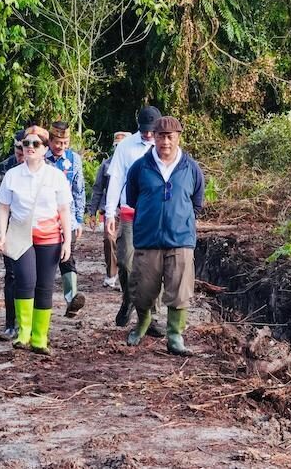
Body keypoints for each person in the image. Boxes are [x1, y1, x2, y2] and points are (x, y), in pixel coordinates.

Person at [123, 116, 205, 356]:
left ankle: (175, 336)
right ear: (153, 138)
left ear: (178, 137)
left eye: (170, 137)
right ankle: (142, 324)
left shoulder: (191, 168)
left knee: (179, 289)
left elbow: (196, 203)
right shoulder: (140, 167)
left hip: (180, 239)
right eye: (160, 136)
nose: (165, 142)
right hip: (148, 239)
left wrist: (179, 219)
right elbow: (132, 198)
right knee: (144, 288)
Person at [0, 126, 74, 356]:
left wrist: (67, 241)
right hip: (21, 235)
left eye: (35, 144)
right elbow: (3, 207)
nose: (29, 148)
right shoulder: (12, 175)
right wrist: (2, 233)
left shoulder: (55, 176)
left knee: (45, 286)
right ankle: (23, 333)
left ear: (45, 149)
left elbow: (64, 210)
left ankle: (40, 338)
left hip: (49, 236)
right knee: (24, 281)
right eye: (25, 144)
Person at [104, 105, 166, 335]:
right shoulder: (126, 146)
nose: (148, 135)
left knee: (154, 266)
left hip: (155, 214)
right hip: (129, 212)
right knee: (125, 261)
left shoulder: (166, 145)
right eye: (144, 130)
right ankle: (129, 298)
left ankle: (153, 315)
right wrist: (110, 212)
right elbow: (116, 177)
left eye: (152, 130)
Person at [45, 121, 87, 317]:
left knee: (67, 257)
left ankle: (72, 299)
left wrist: (79, 219)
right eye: (57, 142)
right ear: (50, 141)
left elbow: (79, 190)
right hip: (45, 216)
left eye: (65, 142)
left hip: (67, 216)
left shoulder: (74, 159)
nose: (61, 147)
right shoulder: (41, 158)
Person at [0, 130, 26, 341]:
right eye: (17, 150)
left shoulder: (43, 169)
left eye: (25, 150)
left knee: (31, 278)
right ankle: (11, 323)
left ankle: (27, 323)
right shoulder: (4, 168)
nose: (21, 154)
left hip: (35, 231)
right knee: (12, 276)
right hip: (10, 230)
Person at [87, 131, 130, 289]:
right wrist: (92, 212)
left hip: (129, 210)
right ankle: (111, 274)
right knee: (109, 240)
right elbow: (98, 189)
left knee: (127, 243)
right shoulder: (106, 165)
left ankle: (126, 278)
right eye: (116, 146)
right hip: (110, 210)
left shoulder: (136, 163)